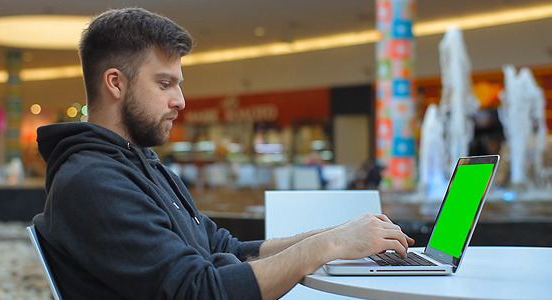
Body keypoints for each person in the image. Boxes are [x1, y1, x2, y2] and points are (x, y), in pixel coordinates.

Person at [33, 7, 414, 300]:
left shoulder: (139, 164)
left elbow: (223, 249)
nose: (179, 100)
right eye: (165, 83)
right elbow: (201, 291)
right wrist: (327, 246)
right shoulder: (93, 182)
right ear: (115, 83)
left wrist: (337, 234)